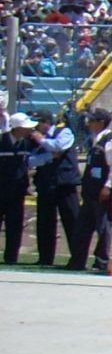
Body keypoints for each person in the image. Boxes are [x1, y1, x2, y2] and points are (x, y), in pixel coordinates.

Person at [68, 107, 112, 274]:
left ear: (101, 122)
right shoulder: (94, 140)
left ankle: (101, 262)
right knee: (83, 227)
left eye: (92, 120)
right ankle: (77, 260)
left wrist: (108, 186)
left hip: (101, 192)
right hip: (90, 192)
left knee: (103, 228)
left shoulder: (109, 141)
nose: (89, 123)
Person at [28, 108, 80, 266]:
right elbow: (30, 160)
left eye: (37, 123)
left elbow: (59, 146)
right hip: (45, 183)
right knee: (44, 222)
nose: (34, 128)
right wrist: (49, 156)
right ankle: (45, 257)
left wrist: (43, 141)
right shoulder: (32, 140)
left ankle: (77, 257)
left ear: (46, 122)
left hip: (65, 183)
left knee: (72, 220)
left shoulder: (64, 132)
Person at [0, 112, 33, 264]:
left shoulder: (25, 143)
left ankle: (11, 257)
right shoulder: (2, 141)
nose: (28, 130)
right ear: (17, 128)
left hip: (17, 192)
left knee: (15, 225)